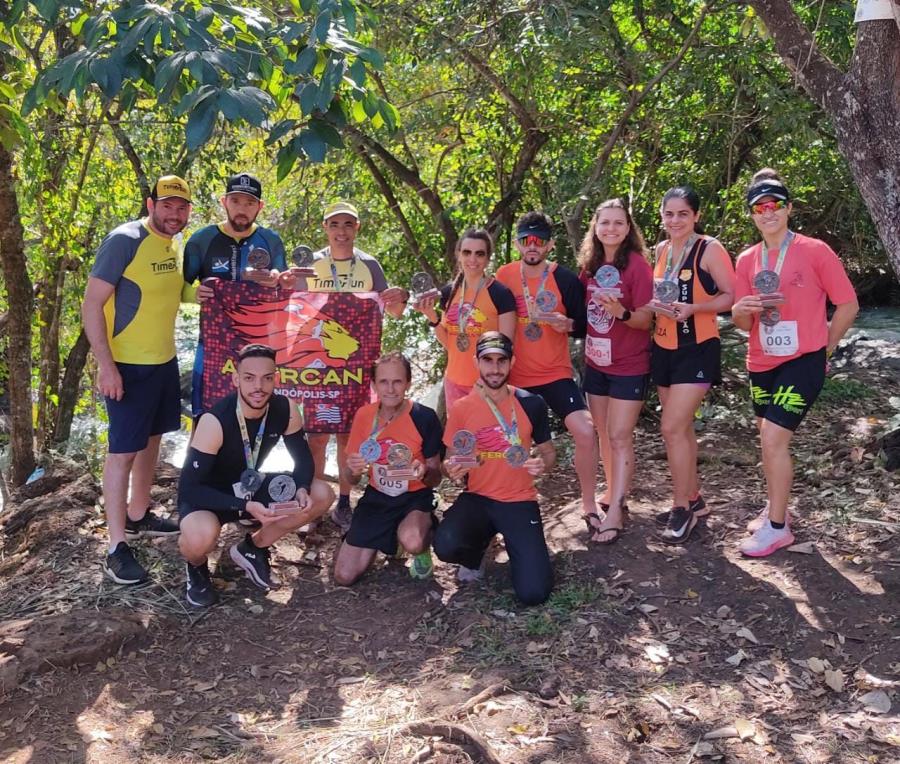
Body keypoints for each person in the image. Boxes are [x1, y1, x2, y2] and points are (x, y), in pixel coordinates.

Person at [731, 169, 858, 556]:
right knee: (767, 443)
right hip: (761, 360)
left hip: (803, 359)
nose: (768, 212)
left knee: (773, 439)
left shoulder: (815, 250)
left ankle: (777, 528)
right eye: (760, 206)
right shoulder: (747, 259)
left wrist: (826, 348)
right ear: (752, 214)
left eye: (776, 205)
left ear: (788, 209)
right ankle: (775, 505)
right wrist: (740, 309)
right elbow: (740, 322)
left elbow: (848, 305)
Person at [82, 175, 192, 585]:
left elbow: (176, 293)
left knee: (152, 440)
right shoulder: (124, 240)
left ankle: (138, 514)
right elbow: (92, 303)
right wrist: (106, 366)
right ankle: (115, 548)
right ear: (151, 204)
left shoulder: (171, 245)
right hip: (126, 365)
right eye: (167, 205)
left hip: (163, 361)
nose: (174, 214)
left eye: (181, 208)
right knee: (122, 451)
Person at [177, 344, 334, 607]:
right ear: (236, 379)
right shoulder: (215, 421)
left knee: (320, 494)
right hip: (210, 497)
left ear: (276, 378)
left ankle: (253, 547)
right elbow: (190, 489)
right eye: (249, 378)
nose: (258, 386)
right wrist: (243, 505)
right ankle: (196, 568)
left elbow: (303, 459)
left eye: (267, 378)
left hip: (250, 486)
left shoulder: (286, 408)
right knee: (199, 537)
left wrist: (302, 486)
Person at [302, 201, 411, 532]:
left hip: (357, 368)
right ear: (325, 228)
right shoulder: (312, 264)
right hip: (318, 367)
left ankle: (345, 503)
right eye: (335, 224)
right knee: (317, 438)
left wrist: (399, 296)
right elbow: (294, 312)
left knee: (349, 438)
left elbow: (393, 312)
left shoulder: (369, 265)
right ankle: (314, 505)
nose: (341, 231)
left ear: (357, 228)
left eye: (348, 224)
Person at [493, 211, 600, 531]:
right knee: (509, 443)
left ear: (550, 244)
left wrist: (566, 324)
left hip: (555, 374)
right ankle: (509, 504)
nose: (532, 246)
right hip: (516, 378)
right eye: (526, 240)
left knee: (585, 431)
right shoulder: (503, 275)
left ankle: (589, 503)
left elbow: (584, 325)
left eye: (539, 240)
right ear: (517, 243)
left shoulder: (565, 279)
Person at [434, 332, 556, 606]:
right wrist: (450, 468)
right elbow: (448, 461)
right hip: (478, 498)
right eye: (487, 360)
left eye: (501, 360)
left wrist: (542, 463)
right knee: (445, 545)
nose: (495, 368)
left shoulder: (530, 402)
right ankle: (476, 552)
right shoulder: (462, 408)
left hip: (519, 501)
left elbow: (549, 453)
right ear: (477, 362)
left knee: (534, 593)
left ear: (511, 362)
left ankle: (524, 550)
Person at [650, 186, 735, 544]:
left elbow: (733, 296)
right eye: (669, 214)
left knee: (671, 428)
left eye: (683, 214)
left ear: (696, 216)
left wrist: (695, 308)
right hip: (663, 345)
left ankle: (680, 507)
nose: (675, 221)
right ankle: (694, 498)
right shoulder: (662, 250)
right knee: (680, 430)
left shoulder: (709, 249)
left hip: (697, 347)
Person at [576, 199, 654, 544]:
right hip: (596, 364)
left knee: (621, 436)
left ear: (628, 228)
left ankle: (617, 510)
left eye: (618, 223)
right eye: (604, 223)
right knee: (605, 435)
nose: (611, 229)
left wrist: (621, 311)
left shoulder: (637, 266)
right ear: (595, 227)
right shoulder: (589, 266)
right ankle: (612, 494)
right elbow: (583, 315)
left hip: (629, 365)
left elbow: (646, 319)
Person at [183, 172, 291, 418]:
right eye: (236, 201)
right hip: (212, 345)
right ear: (224, 202)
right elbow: (179, 287)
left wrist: (277, 278)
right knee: (205, 413)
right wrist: (195, 293)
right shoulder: (202, 240)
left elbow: (286, 288)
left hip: (260, 345)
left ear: (260, 206)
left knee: (257, 415)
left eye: (249, 203)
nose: (242, 209)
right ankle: (199, 458)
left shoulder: (271, 240)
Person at [333, 352, 443, 585]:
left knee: (412, 540)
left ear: (408, 383)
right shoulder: (364, 416)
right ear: (374, 384)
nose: (391, 389)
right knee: (344, 576)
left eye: (397, 381)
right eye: (383, 381)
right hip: (378, 497)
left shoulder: (424, 417)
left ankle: (420, 541)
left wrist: (423, 471)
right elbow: (351, 479)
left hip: (415, 496)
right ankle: (387, 534)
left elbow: (436, 478)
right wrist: (354, 469)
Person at [413, 228, 516, 408]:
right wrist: (433, 318)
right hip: (454, 383)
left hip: (488, 385)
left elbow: (506, 347)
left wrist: (492, 382)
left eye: (479, 254)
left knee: (488, 436)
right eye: (467, 252)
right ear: (458, 254)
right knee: (461, 436)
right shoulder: (449, 293)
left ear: (488, 258)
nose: (472, 259)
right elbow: (450, 343)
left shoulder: (500, 294)